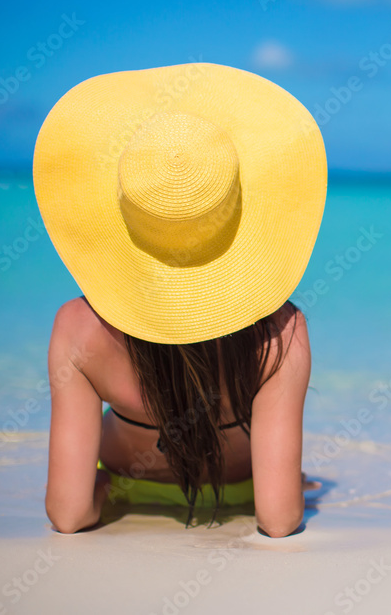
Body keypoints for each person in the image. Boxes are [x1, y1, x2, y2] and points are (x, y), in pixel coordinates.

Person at [33, 62, 327, 537]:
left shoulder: (78, 328)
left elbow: (69, 516)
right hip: (237, 488)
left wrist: (108, 490)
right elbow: (278, 520)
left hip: (133, 482)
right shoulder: (280, 334)